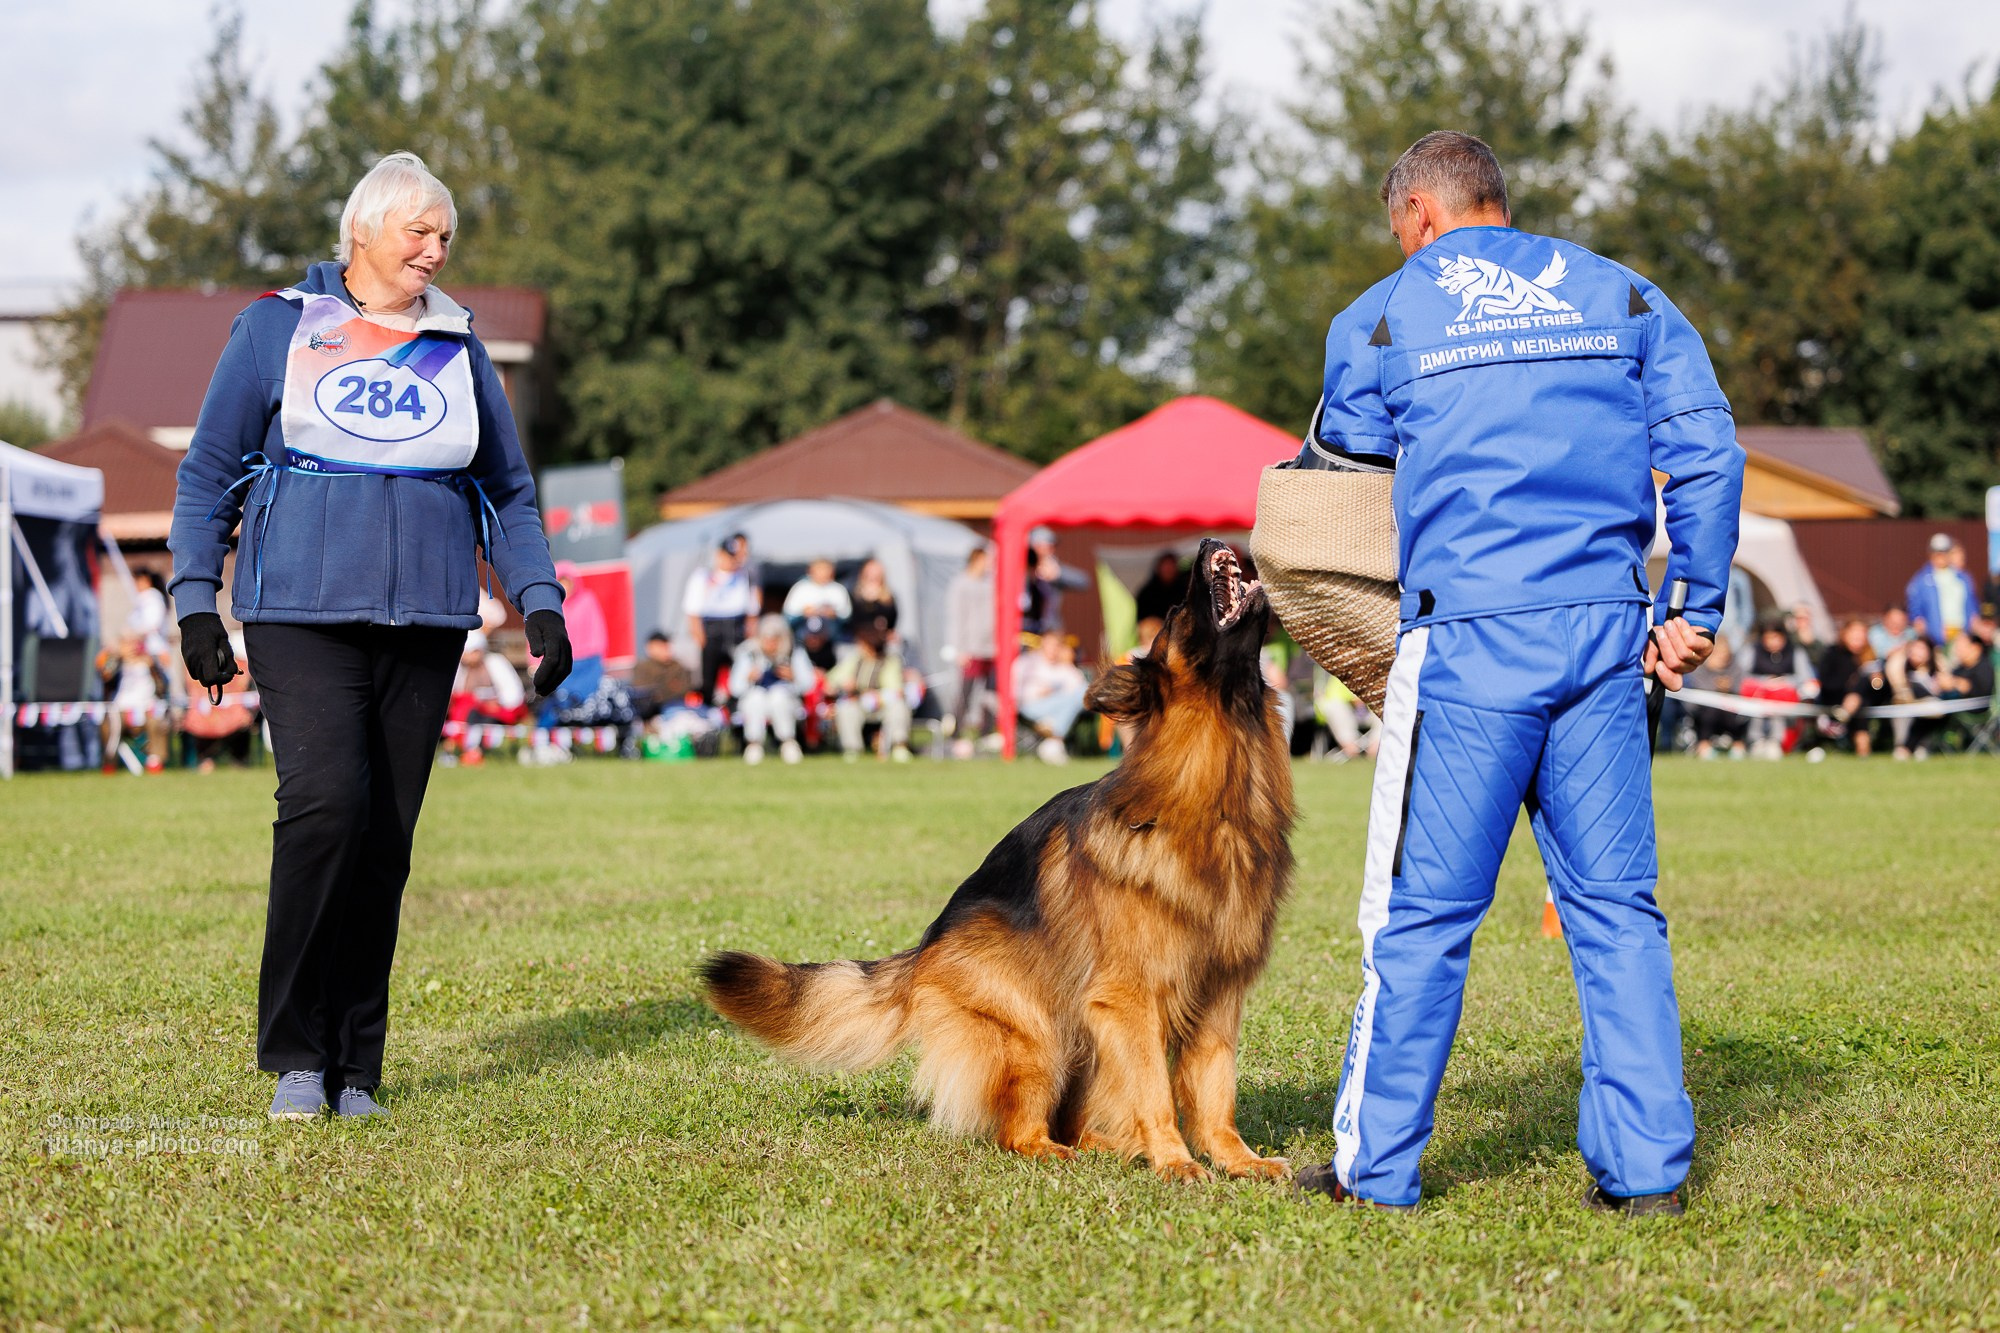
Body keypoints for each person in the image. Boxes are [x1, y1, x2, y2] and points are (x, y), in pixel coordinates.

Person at [1290, 132, 1742, 1216]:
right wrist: (1692, 611)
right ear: (1497, 201)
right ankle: (1643, 1178)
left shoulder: (1383, 315)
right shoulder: (1624, 294)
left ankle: (1375, 1169)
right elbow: (1707, 448)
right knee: (1614, 911)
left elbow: (1332, 498)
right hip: (1601, 638)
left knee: (1419, 916)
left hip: (1464, 644)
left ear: (1418, 219)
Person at [169, 152, 571, 1122]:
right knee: (324, 809)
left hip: (427, 615)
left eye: (446, 237)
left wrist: (540, 601)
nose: (435, 251)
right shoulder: (278, 327)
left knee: (384, 837)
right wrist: (194, 600)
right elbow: (208, 468)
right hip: (298, 608)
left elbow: (506, 491)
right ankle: (298, 1054)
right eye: (418, 233)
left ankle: (357, 1067)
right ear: (362, 233)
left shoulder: (458, 343)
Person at [684, 539, 757, 703]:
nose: (731, 560)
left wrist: (750, 634)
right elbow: (692, 610)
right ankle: (708, 710)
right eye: (728, 556)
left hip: (736, 629)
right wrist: (699, 635)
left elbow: (752, 610)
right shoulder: (703, 576)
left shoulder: (745, 575)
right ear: (719, 555)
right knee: (709, 677)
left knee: (739, 674)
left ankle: (737, 711)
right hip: (712, 630)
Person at [731, 615, 811, 765]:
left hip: (787, 699)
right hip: (755, 699)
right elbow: (735, 688)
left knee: (778, 696)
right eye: (766, 638)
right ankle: (754, 744)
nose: (771, 644)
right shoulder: (747, 652)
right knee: (756, 697)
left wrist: (793, 677)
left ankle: (788, 742)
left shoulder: (795, 650)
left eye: (775, 639)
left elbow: (808, 685)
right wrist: (749, 678)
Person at [443, 629, 527, 765]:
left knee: (480, 718)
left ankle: (475, 751)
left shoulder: (495, 662)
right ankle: (461, 750)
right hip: (467, 713)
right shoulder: (460, 668)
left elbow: (513, 693)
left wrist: (495, 704)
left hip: (495, 712)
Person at [826, 626, 911, 761]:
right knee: (846, 708)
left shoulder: (890, 661)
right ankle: (852, 749)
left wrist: (876, 695)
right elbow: (832, 680)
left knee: (899, 706)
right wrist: (845, 684)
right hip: (858, 702)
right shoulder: (855, 659)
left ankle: (899, 746)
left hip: (883, 704)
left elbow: (896, 689)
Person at [944, 546, 997, 756]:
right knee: (966, 691)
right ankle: (956, 733)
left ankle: (986, 732)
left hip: (991, 647)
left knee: (990, 693)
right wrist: (959, 648)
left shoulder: (990, 583)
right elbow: (956, 618)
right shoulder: (961, 584)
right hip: (970, 647)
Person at [1741, 617, 1818, 760]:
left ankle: (1776, 742)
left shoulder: (1795, 652)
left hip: (1785, 702)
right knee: (1757, 711)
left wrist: (1785, 682)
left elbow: (1805, 678)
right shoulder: (1752, 651)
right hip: (1758, 699)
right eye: (1768, 638)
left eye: (1776, 637)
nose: (1772, 642)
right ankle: (1757, 742)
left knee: (1778, 711)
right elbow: (1742, 676)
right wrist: (1764, 682)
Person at [96, 632, 172, 773]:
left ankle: (155, 763)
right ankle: (109, 763)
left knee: (156, 720)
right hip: (121, 708)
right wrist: (118, 658)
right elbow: (104, 676)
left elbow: (163, 686)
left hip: (147, 706)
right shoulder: (116, 662)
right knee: (112, 722)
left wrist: (152, 666)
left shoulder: (150, 662)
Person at [1011, 633, 1087, 765]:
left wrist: (1069, 661)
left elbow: (1083, 692)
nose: (1053, 650)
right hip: (1030, 706)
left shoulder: (1064, 668)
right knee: (1072, 699)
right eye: (1050, 645)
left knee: (1080, 694)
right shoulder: (1028, 662)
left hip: (1057, 708)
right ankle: (1056, 739)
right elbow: (1015, 689)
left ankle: (1053, 733)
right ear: (1042, 645)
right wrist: (1040, 693)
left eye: (1057, 646)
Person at [1816, 617, 1885, 757]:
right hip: (1836, 699)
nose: (1858, 639)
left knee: (1863, 687)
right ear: (1844, 634)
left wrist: (1875, 678)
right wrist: (1850, 683)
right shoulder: (1832, 654)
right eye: (1854, 635)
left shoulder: (1870, 656)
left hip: (1861, 702)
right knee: (1859, 700)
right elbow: (1826, 683)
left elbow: (1878, 687)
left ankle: (1847, 714)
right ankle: (1863, 748)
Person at [1905, 533, 1979, 644]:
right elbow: (1915, 607)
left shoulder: (1962, 577)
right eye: (1936, 552)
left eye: (1944, 552)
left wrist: (1974, 619)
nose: (1940, 556)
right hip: (1935, 637)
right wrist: (1920, 622)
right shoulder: (1922, 580)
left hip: (1962, 633)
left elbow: (1972, 602)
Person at [1021, 526, 1089, 637]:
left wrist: (1058, 574)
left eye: (1052, 546)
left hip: (1049, 630)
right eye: (1043, 547)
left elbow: (1084, 581)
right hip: (1025, 628)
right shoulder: (1021, 568)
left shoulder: (1054, 568)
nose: (1050, 550)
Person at [1884, 638, 1941, 759]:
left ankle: (1916, 746)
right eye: (1914, 649)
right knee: (1902, 712)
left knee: (1931, 712)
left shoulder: (1936, 667)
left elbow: (1944, 683)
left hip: (1930, 708)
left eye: (1921, 649)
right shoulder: (1901, 666)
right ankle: (1902, 746)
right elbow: (1898, 688)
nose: (1917, 653)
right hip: (1904, 704)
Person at [630, 632, 695, 717]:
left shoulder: (677, 666)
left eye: (666, 646)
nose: (665, 649)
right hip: (652, 712)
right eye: (660, 646)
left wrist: (663, 691)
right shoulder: (642, 667)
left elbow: (686, 689)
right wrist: (669, 687)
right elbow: (644, 693)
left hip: (678, 706)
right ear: (650, 648)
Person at [782, 558, 852, 624]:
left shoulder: (838, 589)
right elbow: (788, 615)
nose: (823, 573)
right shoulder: (800, 588)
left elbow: (846, 616)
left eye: (825, 570)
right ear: (811, 571)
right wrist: (803, 613)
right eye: (820, 569)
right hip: (804, 630)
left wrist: (834, 614)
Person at [848, 558, 899, 645]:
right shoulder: (854, 595)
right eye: (870, 572)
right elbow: (853, 619)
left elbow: (892, 619)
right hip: (859, 641)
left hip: (882, 640)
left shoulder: (888, 597)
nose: (873, 575)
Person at [1133, 551, 1190, 624]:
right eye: (1166, 566)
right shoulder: (1147, 593)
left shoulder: (1185, 591)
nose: (1168, 569)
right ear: (1159, 567)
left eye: (1171, 566)